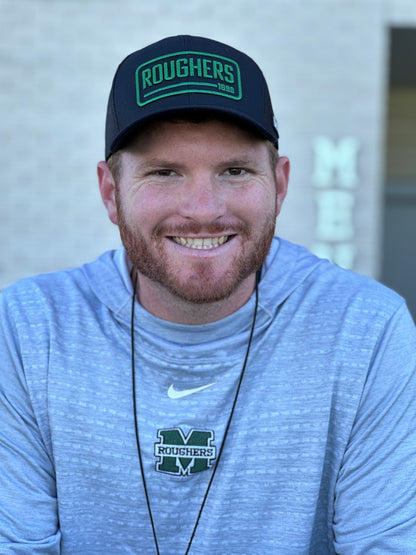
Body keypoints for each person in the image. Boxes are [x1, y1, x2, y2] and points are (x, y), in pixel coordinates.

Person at [0, 35, 415, 555]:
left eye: (235, 171)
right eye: (164, 172)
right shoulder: (30, 329)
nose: (202, 209)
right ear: (110, 192)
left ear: (280, 186)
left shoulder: (364, 329)